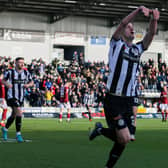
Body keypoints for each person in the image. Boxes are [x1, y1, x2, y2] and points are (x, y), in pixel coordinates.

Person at [89, 6, 159, 168]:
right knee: (124, 137)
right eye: (129, 27)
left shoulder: (137, 49)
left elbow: (151, 34)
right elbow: (123, 22)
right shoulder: (115, 44)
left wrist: (154, 19)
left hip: (128, 100)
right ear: (122, 32)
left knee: (124, 140)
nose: (131, 28)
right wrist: (138, 10)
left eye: (133, 28)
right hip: (114, 99)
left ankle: (101, 136)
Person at [1, 57, 34, 142]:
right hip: (11, 96)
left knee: (14, 114)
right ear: (15, 63)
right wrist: (7, 83)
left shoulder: (26, 72)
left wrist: (28, 85)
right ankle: (18, 134)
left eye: (23, 62)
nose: (22, 64)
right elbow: (3, 80)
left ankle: (5, 128)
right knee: (19, 111)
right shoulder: (10, 72)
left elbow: (32, 82)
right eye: (20, 62)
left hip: (21, 97)